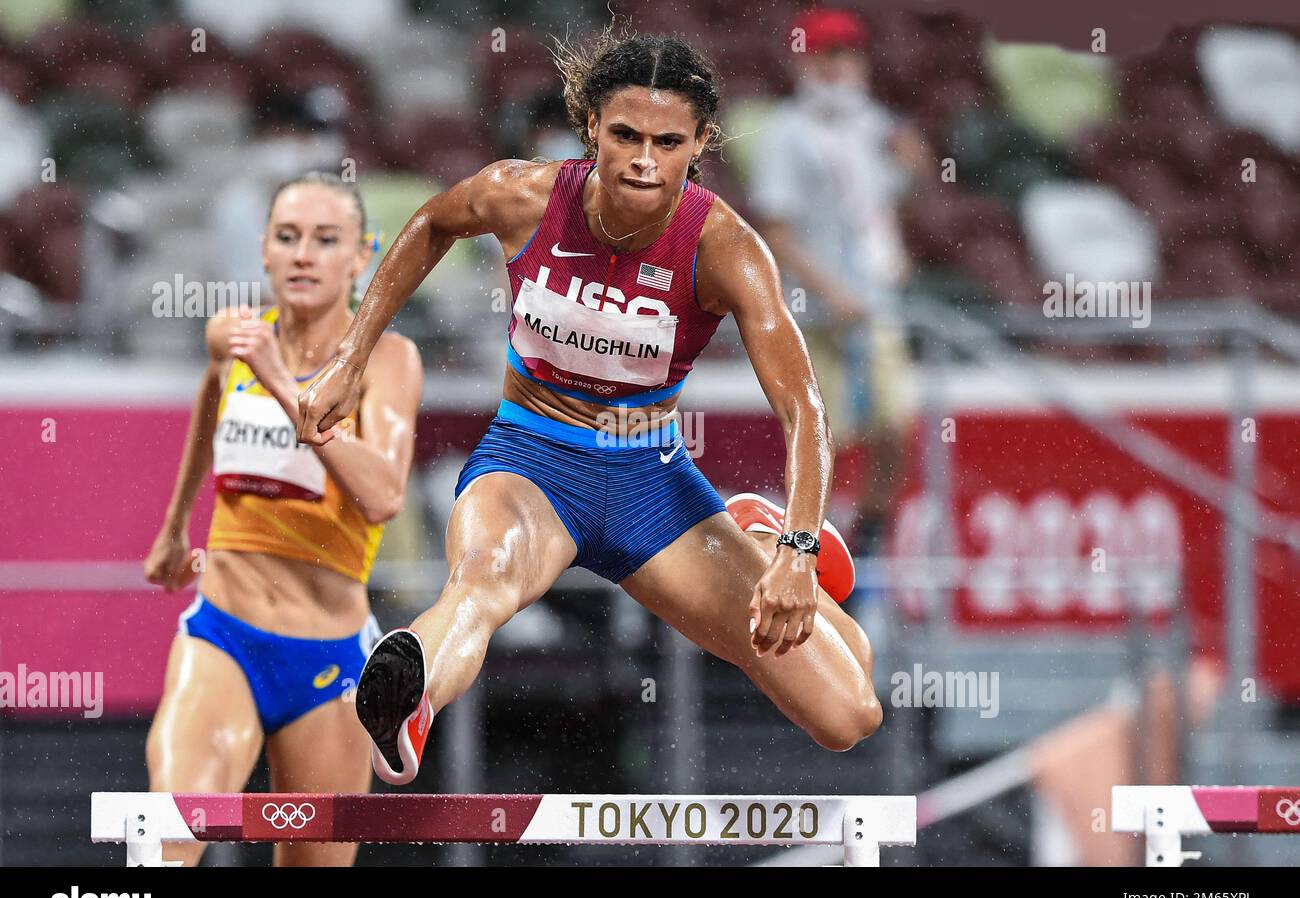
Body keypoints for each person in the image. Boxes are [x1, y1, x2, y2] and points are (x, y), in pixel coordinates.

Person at [297, 30, 883, 787]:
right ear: (590, 130)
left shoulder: (726, 248)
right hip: (531, 462)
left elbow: (805, 409)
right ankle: (405, 698)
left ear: (700, 141)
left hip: (654, 488)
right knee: (482, 581)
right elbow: (433, 223)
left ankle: (758, 535)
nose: (644, 160)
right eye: (626, 136)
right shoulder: (525, 195)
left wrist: (800, 549)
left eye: (668, 142)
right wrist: (352, 356)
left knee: (849, 714)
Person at [143, 171, 422, 863]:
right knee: (160, 847)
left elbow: (383, 494)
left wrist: (284, 384)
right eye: (288, 238)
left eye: (326, 241)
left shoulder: (388, 359)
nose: (303, 255)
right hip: (223, 638)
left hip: (329, 664)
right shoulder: (233, 336)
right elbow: (210, 403)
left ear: (362, 258)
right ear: (263, 251)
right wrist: (175, 524)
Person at [749, 7, 929, 552]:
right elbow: (775, 230)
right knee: (820, 440)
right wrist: (829, 290)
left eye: (848, 53)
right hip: (815, 311)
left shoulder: (872, 124)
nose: (840, 66)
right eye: (829, 54)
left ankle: (866, 543)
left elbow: (899, 192)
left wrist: (915, 161)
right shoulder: (786, 133)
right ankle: (803, 550)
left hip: (873, 303)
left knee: (894, 425)